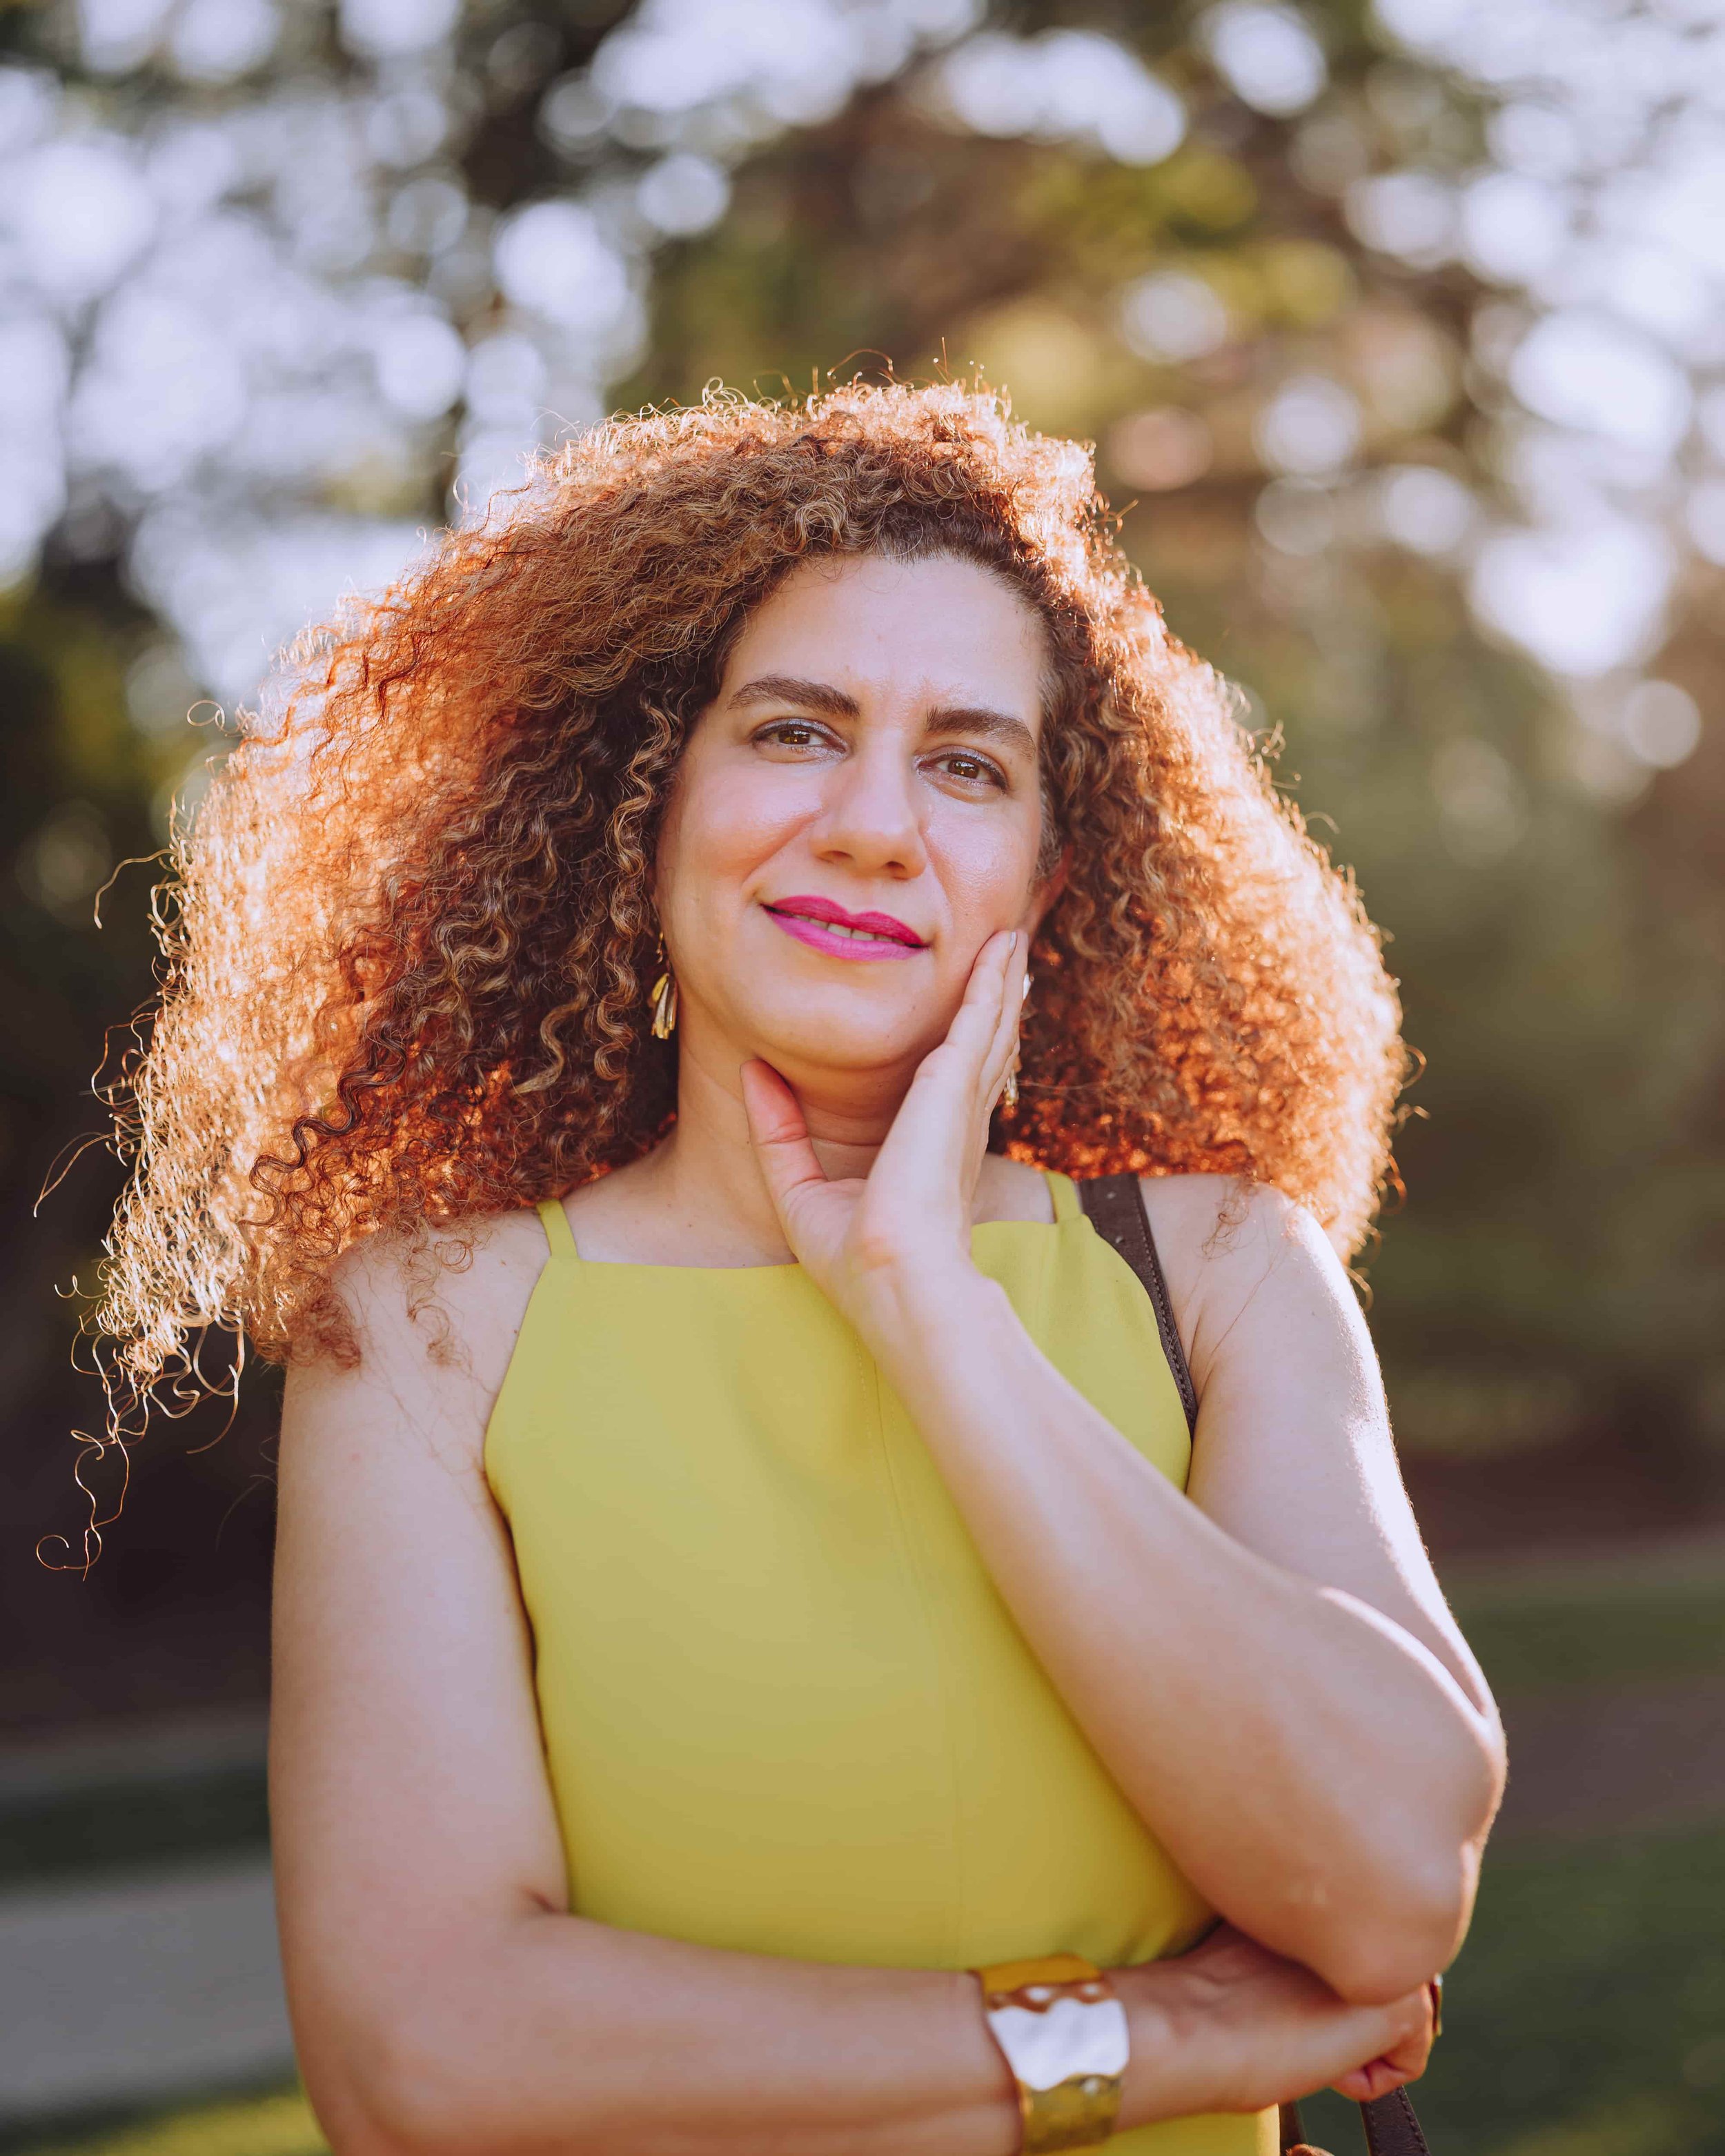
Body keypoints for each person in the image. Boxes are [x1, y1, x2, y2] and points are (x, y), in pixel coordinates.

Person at [97, 382, 1504, 2155]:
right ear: (644, 796)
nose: (869, 824)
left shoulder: (1215, 1267)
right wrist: (1162, 2037)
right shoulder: (434, 1328)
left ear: (1048, 880)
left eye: (967, 763)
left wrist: (929, 1305)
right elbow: (427, 2063)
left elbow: (1386, 1889)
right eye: (792, 731)